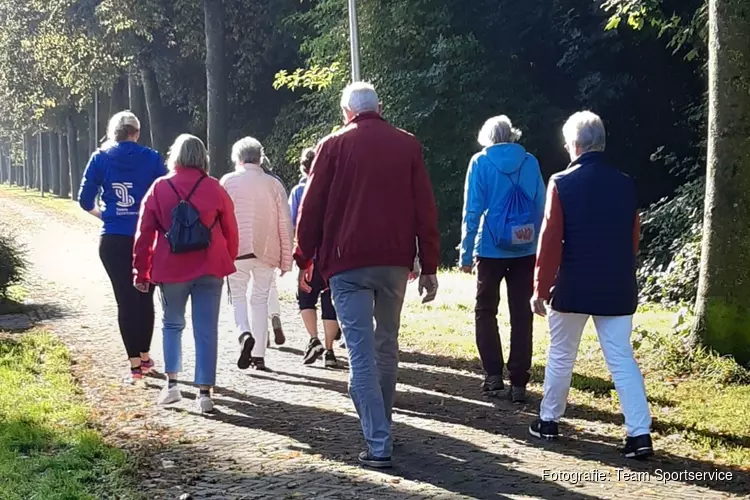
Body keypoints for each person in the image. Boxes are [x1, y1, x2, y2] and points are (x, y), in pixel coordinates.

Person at [294, 82, 440, 469]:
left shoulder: (333, 145)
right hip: (394, 260)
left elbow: (312, 207)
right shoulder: (407, 144)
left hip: (346, 261)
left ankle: (378, 441)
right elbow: (425, 207)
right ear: (380, 107)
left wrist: (304, 257)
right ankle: (383, 425)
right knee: (386, 345)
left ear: (346, 112)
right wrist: (428, 262)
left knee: (360, 353)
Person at [528, 111, 653, 459]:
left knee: (561, 354)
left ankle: (549, 421)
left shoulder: (561, 183)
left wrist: (540, 288)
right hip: (616, 283)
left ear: (576, 145)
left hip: (572, 284)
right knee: (622, 359)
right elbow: (633, 236)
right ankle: (639, 434)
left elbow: (550, 241)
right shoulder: (626, 182)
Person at [133, 134, 239, 413]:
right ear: (202, 157)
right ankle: (205, 393)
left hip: (171, 268)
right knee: (206, 329)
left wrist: (141, 271)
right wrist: (228, 257)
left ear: (175, 156)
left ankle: (172, 386)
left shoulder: (159, 188)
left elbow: (143, 234)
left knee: (172, 325)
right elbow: (231, 228)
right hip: (210, 266)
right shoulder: (214, 188)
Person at [458, 115, 545, 403]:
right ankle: (519, 382)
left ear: (486, 136)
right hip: (526, 248)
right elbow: (542, 205)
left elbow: (472, 211)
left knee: (485, 310)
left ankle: (493, 375)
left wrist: (466, 251)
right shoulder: (530, 162)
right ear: (512, 135)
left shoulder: (480, 162)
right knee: (522, 313)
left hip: (491, 248)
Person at [78, 110, 166, 380]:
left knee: (124, 300)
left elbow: (84, 200)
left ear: (112, 132)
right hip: (145, 238)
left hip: (113, 238)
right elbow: (165, 193)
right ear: (136, 133)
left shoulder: (100, 158)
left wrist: (106, 215)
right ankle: (144, 353)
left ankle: (134, 364)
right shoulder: (152, 158)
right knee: (145, 296)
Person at [221, 137, 294, 372]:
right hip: (266, 250)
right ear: (260, 158)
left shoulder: (228, 182)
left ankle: (244, 333)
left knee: (238, 297)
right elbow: (285, 223)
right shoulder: (274, 184)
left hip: (236, 250)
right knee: (260, 300)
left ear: (237, 158)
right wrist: (286, 258)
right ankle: (259, 356)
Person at [289, 147, 341, 367]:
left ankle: (314, 339)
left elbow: (294, 223)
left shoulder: (299, 191)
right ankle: (330, 351)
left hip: (310, 257)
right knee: (330, 303)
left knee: (305, 298)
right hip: (334, 257)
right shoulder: (337, 190)